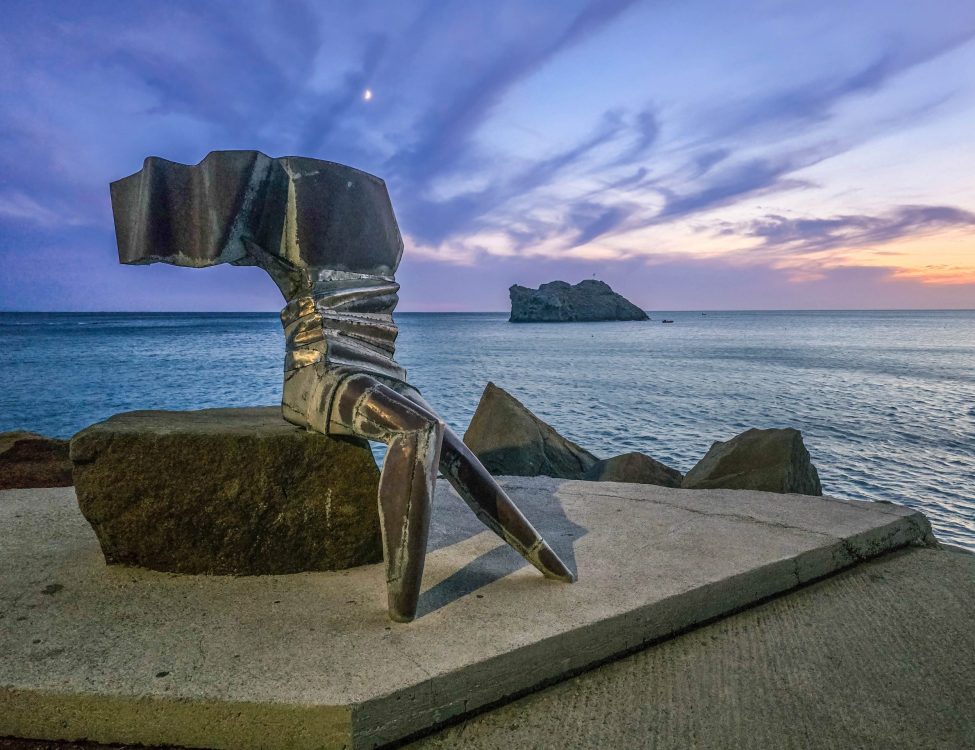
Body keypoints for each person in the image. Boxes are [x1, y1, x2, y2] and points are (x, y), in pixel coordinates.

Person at [110, 150, 574, 622]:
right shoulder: (289, 197)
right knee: (416, 432)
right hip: (319, 375)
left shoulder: (372, 214)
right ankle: (402, 603)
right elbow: (208, 210)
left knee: (443, 440)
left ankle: (538, 553)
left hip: (378, 369)